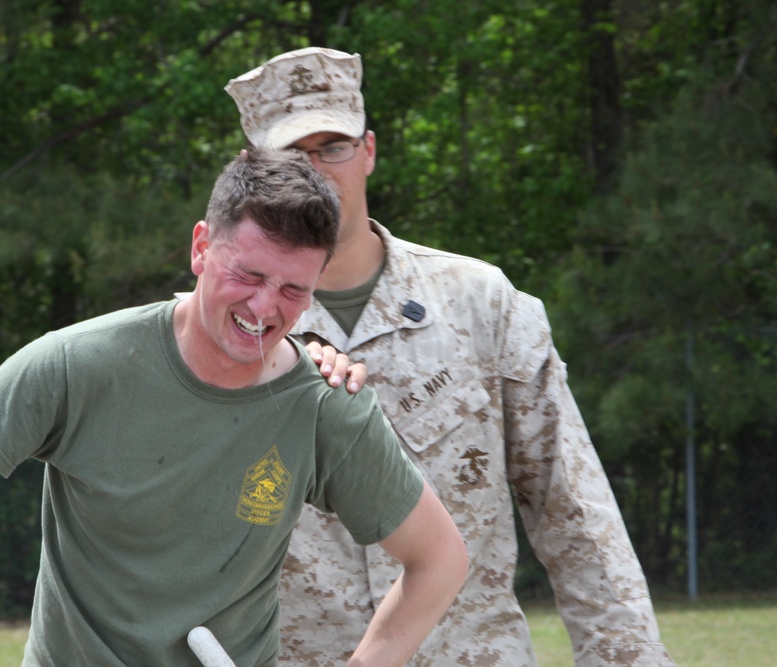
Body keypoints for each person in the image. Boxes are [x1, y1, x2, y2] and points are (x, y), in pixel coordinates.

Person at [0, 148, 468, 667]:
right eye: (247, 274)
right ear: (202, 248)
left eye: (292, 289)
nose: (264, 308)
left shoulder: (324, 406)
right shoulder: (79, 365)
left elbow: (440, 559)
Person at [226, 48, 676, 666]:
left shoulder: (481, 306)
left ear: (370, 152)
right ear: (251, 171)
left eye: (334, 147)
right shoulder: (224, 330)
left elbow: (573, 512)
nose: (318, 173)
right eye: (291, 156)